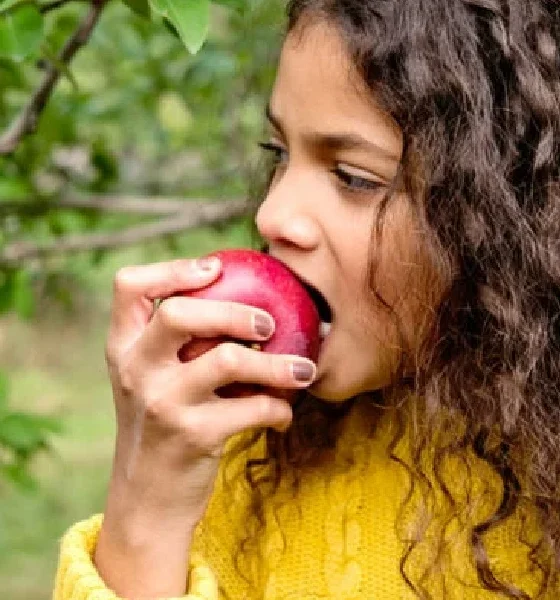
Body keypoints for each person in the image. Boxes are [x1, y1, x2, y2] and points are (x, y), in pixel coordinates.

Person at [53, 0, 560, 598]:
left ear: (503, 213)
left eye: (353, 177)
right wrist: (147, 503)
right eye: (279, 155)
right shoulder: (251, 458)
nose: (272, 215)